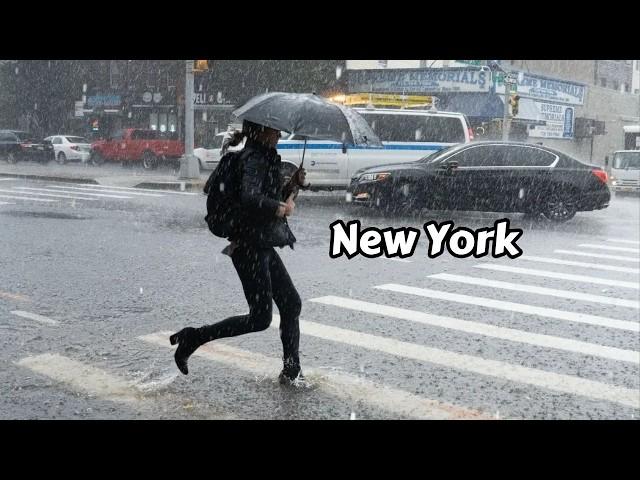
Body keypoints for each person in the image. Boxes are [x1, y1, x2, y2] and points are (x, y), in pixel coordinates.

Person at [169, 119, 309, 387]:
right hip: (249, 247)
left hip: (259, 243)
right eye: (274, 129)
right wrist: (280, 208)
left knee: (291, 304)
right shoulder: (254, 158)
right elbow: (250, 198)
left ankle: (292, 371)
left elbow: (265, 196)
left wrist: (293, 184)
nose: (279, 134)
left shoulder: (262, 157)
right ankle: (194, 337)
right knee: (260, 318)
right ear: (261, 131)